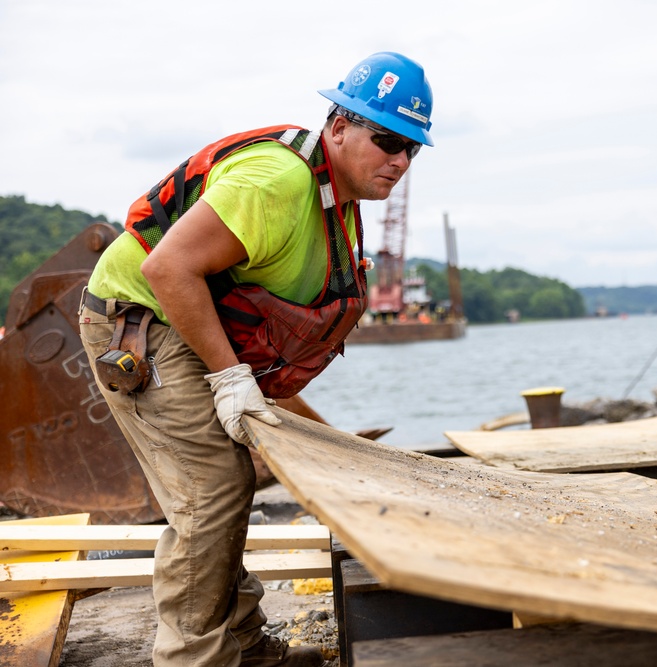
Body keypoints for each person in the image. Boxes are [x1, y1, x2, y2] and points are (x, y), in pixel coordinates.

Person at [78, 51, 434, 666]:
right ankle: (194, 657)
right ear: (340, 126)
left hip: (190, 320)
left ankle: (246, 649)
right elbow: (168, 268)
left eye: (413, 148)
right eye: (387, 139)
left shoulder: (335, 204)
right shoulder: (279, 181)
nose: (399, 161)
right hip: (141, 321)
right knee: (211, 489)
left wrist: (334, 442)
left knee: (231, 481)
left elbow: (259, 340)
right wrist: (228, 377)